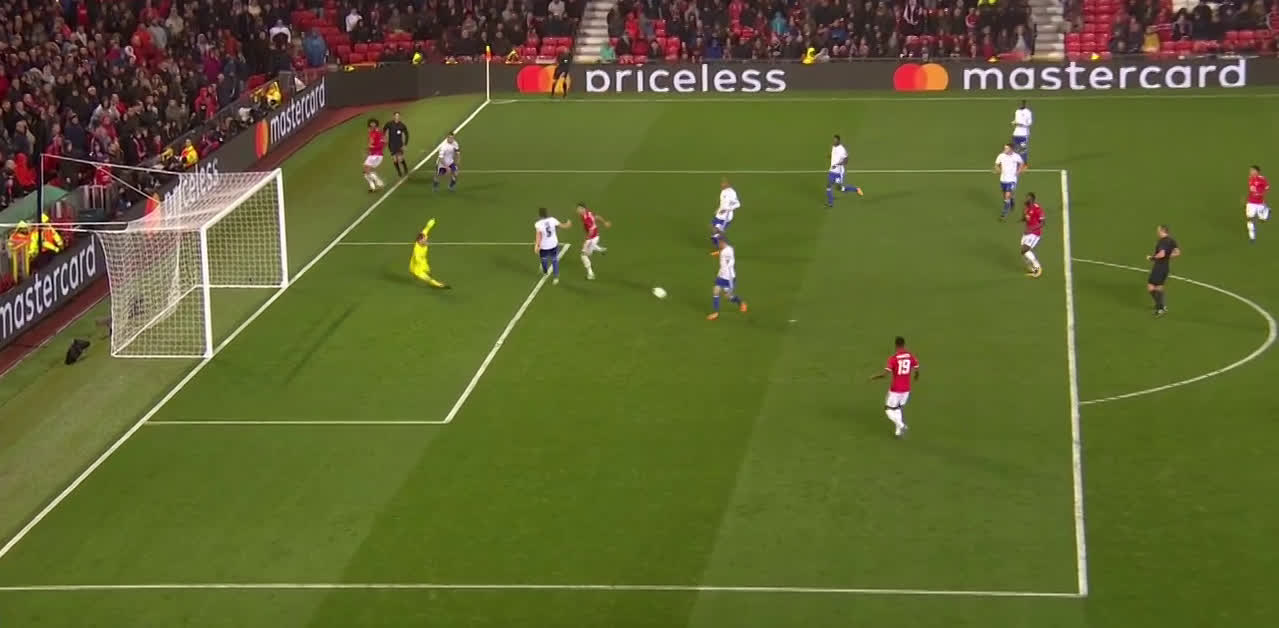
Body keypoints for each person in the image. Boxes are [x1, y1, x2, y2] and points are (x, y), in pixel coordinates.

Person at [869, 336, 920, 438]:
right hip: (906, 389)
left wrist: (874, 377)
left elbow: (885, 375)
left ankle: (901, 425)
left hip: (896, 389)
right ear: (904, 344)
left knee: (888, 409)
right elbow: (917, 369)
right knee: (898, 408)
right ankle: (898, 431)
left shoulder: (893, 358)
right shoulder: (910, 356)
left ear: (896, 345)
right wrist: (916, 377)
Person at [707, 238, 746, 320]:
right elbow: (723, 254)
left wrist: (726, 266)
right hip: (721, 276)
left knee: (728, 296)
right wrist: (718, 253)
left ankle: (741, 303)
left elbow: (728, 262)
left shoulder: (727, 251)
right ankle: (715, 313)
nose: (717, 245)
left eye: (718, 243)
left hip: (729, 278)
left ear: (722, 242)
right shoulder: (727, 249)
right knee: (716, 291)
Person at [1147, 224, 1180, 317]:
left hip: (1159, 267)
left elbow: (1161, 254)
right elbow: (1177, 253)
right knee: (1159, 286)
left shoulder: (1163, 241)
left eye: (1158, 230)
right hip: (1165, 267)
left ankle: (1160, 308)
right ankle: (1161, 306)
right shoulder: (1172, 240)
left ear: (1162, 231)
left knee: (1151, 287)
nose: (1157, 232)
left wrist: (1152, 258)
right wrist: (1168, 256)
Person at [534, 207, 571, 285]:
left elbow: (538, 236)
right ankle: (556, 277)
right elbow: (563, 226)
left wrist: (537, 245)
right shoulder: (553, 220)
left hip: (544, 246)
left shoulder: (538, 224)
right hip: (554, 244)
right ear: (547, 213)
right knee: (554, 260)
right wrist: (568, 224)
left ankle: (545, 272)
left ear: (539, 215)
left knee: (544, 260)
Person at [410, 218, 450, 288]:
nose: (426, 241)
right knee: (428, 279)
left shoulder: (422, 236)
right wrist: (423, 264)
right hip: (417, 270)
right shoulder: (417, 250)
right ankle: (440, 285)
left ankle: (427, 277)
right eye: (425, 240)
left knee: (428, 271)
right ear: (420, 241)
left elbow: (426, 228)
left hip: (423, 262)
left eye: (426, 239)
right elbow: (417, 259)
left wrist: (431, 222)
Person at [576, 203, 611, 280]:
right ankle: (601, 249)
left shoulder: (586, 218)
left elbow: (591, 231)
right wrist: (604, 222)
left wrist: (586, 240)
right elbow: (597, 217)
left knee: (583, 255)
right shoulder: (588, 212)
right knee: (590, 247)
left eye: (579, 209)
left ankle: (590, 274)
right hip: (595, 236)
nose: (577, 210)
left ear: (583, 209)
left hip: (592, 238)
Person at [826, 134, 862, 208]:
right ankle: (830, 202)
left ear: (839, 141)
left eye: (835, 140)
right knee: (828, 185)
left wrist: (838, 164)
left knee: (840, 188)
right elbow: (834, 155)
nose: (834, 141)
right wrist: (830, 156)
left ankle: (856, 189)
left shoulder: (842, 149)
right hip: (832, 170)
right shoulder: (833, 146)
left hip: (839, 172)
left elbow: (846, 160)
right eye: (833, 140)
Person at [994, 143, 1026, 220]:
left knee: (1007, 196)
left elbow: (1021, 163)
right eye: (1004, 148)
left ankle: (1004, 213)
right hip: (1003, 179)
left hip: (1012, 179)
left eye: (1006, 148)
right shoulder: (1001, 156)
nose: (1004, 149)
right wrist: (998, 169)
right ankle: (1011, 200)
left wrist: (1019, 171)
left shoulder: (1016, 156)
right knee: (1005, 196)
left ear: (1011, 149)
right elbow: (996, 164)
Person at [710, 178, 740, 255]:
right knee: (713, 229)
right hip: (719, 215)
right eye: (722, 183)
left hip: (726, 217)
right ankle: (719, 244)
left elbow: (737, 204)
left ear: (728, 184)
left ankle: (724, 249)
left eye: (724, 183)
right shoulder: (723, 191)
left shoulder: (732, 193)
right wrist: (718, 209)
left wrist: (727, 209)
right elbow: (723, 203)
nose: (722, 184)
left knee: (719, 232)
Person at [1020, 192, 1045, 277]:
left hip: (1034, 233)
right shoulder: (1027, 207)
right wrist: (1024, 213)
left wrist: (1031, 229)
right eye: (1026, 197)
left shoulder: (1037, 209)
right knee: (1023, 252)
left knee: (1025, 250)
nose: (1026, 199)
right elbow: (1024, 219)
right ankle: (1033, 269)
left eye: (1028, 198)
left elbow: (1042, 223)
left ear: (1032, 200)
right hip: (1027, 232)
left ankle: (1038, 268)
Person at [1244, 164, 1270, 242]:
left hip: (1259, 203)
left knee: (1262, 219)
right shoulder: (1250, 178)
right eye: (1250, 170)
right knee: (1249, 218)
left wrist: (1261, 193)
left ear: (1257, 171)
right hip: (1251, 202)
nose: (1251, 172)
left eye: (1252, 170)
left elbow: (1267, 187)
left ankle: (1266, 211)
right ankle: (1252, 236)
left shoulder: (1262, 179)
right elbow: (1252, 189)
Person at [384, 112, 410, 177]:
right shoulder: (389, 124)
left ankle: (405, 168)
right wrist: (384, 137)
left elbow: (407, 134)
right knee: (394, 159)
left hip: (399, 144)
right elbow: (384, 129)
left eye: (398, 116)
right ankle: (399, 172)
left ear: (399, 117)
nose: (397, 117)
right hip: (391, 144)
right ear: (393, 116)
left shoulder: (402, 125)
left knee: (400, 158)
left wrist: (405, 144)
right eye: (396, 116)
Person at [363, 118, 386, 192]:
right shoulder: (371, 133)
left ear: (376, 124)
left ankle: (379, 183)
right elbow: (370, 144)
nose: (372, 124)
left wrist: (374, 147)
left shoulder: (378, 132)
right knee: (366, 171)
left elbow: (383, 143)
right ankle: (373, 187)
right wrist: (368, 151)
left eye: (374, 123)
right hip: (372, 154)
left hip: (377, 154)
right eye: (371, 123)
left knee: (367, 169)